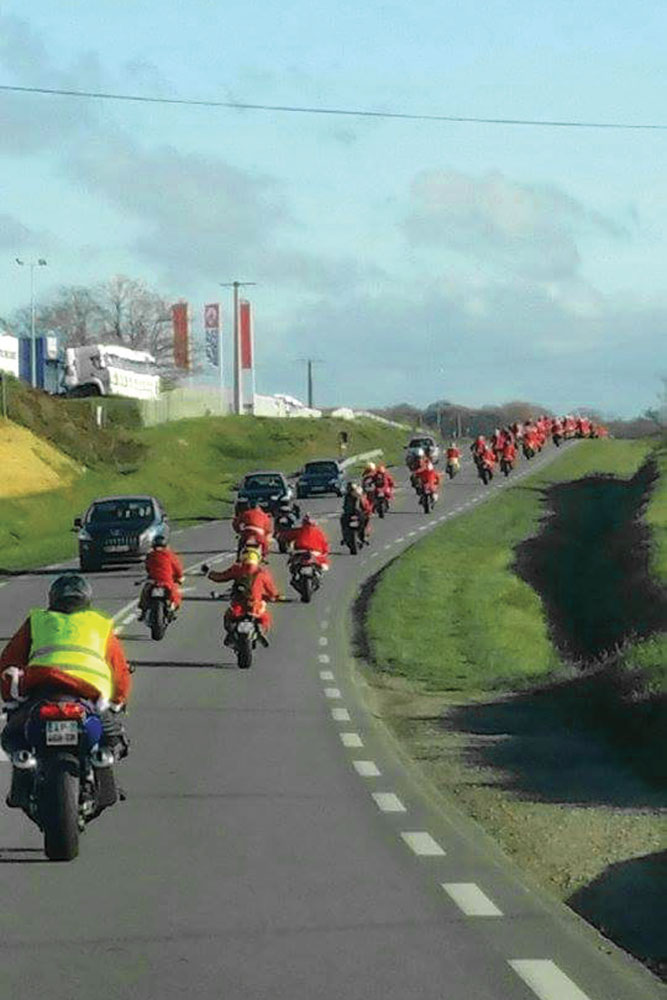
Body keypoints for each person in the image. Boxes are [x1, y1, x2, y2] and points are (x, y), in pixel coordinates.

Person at [1, 573, 132, 808]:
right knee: (113, 738)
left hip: (42, 692)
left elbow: (8, 661)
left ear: (53, 598)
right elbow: (119, 670)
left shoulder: (37, 620)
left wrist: (10, 697)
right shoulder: (100, 625)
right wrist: (118, 700)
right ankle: (103, 765)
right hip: (89, 695)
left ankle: (22, 771)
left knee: (12, 736)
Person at [208, 549, 281, 644]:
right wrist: (276, 596)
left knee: (228, 616)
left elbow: (221, 577)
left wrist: (209, 574)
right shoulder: (263, 573)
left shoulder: (237, 569)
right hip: (255, 605)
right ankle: (261, 630)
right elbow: (271, 590)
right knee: (265, 617)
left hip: (238, 605)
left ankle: (230, 634)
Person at [138, 535, 184, 621]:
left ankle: (143, 612)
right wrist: (180, 577)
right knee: (175, 595)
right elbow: (177, 568)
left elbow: (148, 568)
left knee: (145, 593)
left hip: (153, 581)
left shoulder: (150, 555)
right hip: (167, 581)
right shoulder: (170, 555)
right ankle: (172, 609)